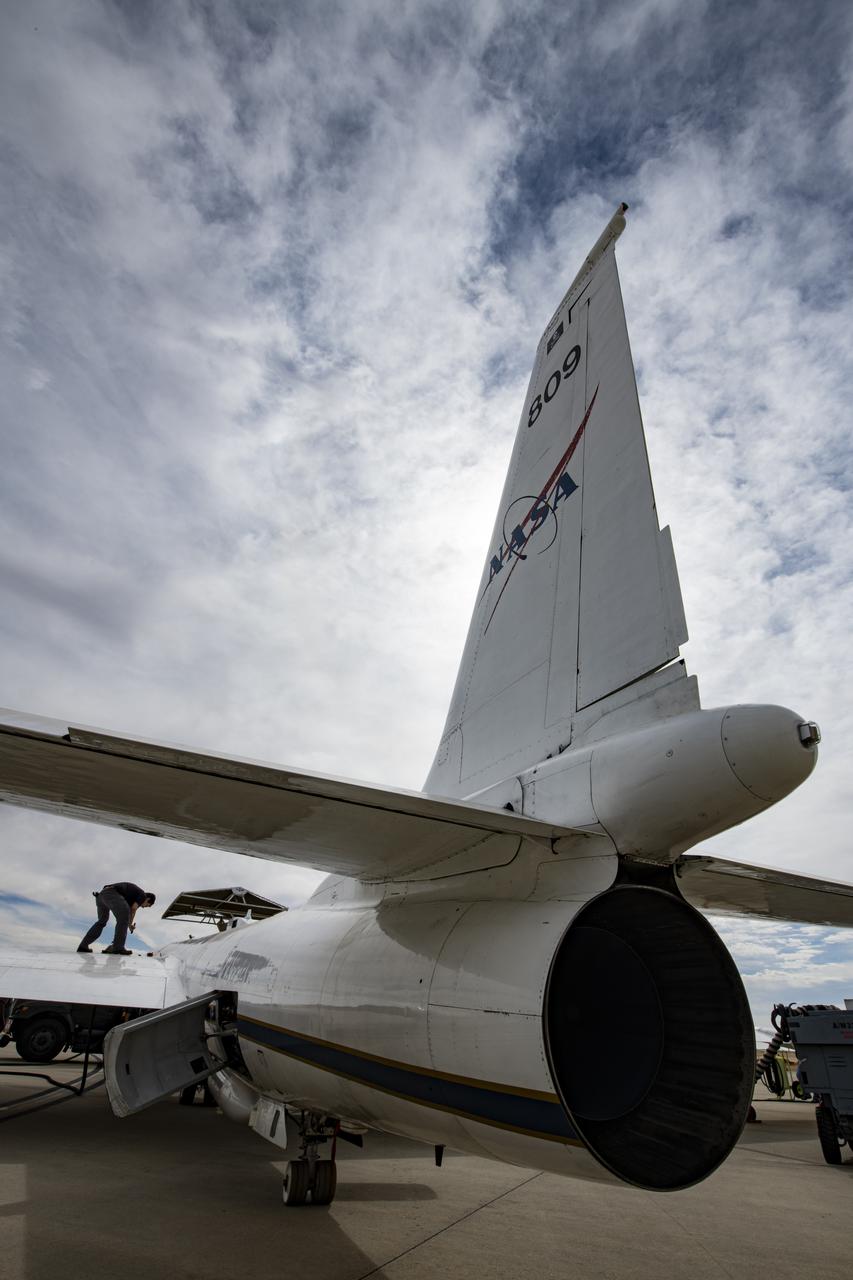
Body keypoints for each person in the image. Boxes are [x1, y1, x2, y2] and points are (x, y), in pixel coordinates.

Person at [77, 883, 156, 955]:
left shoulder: (129, 899)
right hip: (112, 893)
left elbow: (126, 913)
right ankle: (118, 947)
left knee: (102, 921)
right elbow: (133, 909)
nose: (143, 907)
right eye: (147, 905)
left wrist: (129, 924)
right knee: (124, 916)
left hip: (101, 896)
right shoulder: (142, 895)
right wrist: (129, 925)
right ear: (148, 899)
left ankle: (83, 946)